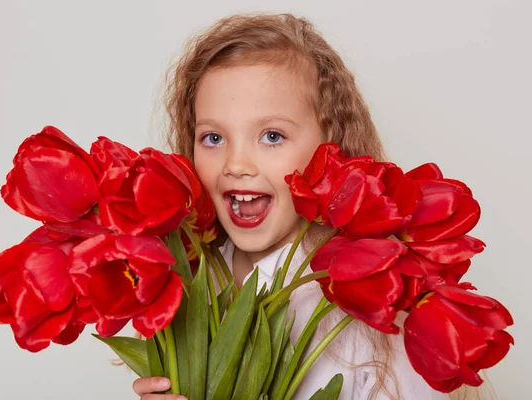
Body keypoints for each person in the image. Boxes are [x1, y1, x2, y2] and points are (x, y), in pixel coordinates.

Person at [132, 12, 490, 400]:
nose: (235, 164)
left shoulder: (377, 319)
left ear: (329, 150)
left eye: (272, 136)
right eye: (213, 137)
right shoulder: (184, 287)